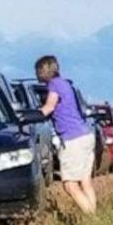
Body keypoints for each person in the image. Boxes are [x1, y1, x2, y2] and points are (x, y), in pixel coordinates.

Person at [35, 55, 97, 215]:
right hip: (85, 134)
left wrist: (27, 116)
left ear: (43, 71)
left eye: (38, 71)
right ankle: (95, 215)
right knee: (85, 182)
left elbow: (48, 108)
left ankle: (92, 218)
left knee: (70, 185)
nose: (36, 75)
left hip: (72, 138)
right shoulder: (66, 84)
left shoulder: (54, 85)